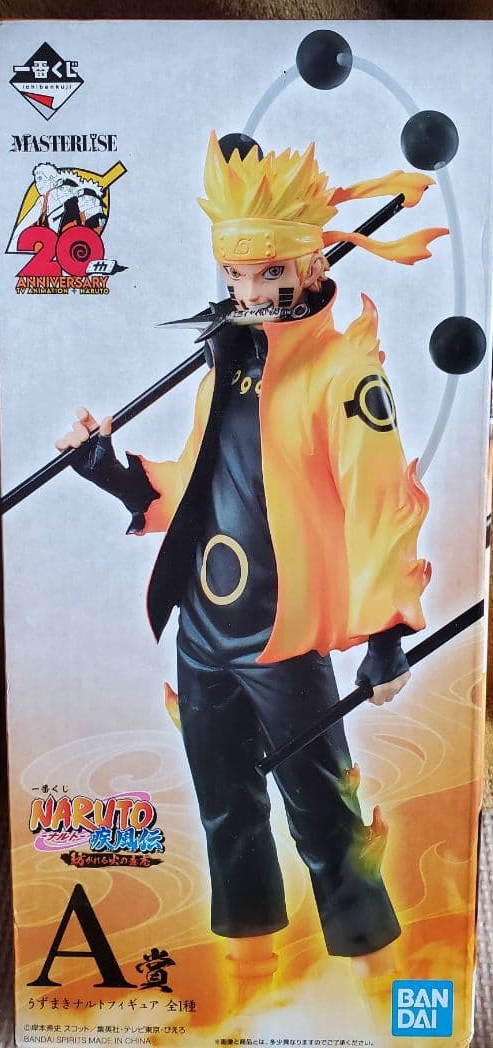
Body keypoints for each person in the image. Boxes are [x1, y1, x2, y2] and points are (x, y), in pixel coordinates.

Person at [55, 132, 446, 1006]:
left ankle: (378, 984)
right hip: (203, 628)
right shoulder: (224, 369)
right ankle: (247, 990)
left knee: (323, 813)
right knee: (225, 808)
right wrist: (111, 471)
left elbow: (378, 500)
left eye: (268, 274)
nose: (250, 292)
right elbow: (200, 487)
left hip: (281, 634)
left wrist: (386, 633)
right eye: (235, 275)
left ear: (309, 263)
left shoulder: (341, 374)